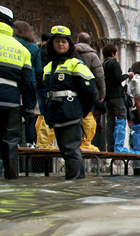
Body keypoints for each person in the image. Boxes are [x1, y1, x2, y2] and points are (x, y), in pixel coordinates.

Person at [43, 25, 96, 179]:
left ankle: (74, 186)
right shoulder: (49, 67)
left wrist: (80, 111)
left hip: (71, 113)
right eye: (57, 41)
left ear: (69, 45)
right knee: (66, 151)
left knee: (72, 151)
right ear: (52, 44)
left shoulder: (76, 64)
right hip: (55, 114)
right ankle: (76, 183)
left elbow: (89, 91)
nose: (61, 44)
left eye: (64, 42)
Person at [0, 5, 36, 179]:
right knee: (10, 144)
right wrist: (28, 108)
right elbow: (28, 83)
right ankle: (11, 180)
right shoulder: (22, 50)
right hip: (11, 103)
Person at [75, 32, 105, 152]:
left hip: (72, 90)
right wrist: (102, 94)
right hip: (88, 91)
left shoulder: (71, 53)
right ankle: (85, 144)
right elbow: (99, 76)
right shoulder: (93, 56)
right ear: (90, 43)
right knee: (87, 117)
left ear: (77, 40)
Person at [13, 20, 41, 148]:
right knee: (30, 112)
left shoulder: (12, 43)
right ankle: (31, 142)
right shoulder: (34, 47)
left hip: (14, 80)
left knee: (14, 111)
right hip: (31, 81)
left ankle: (16, 141)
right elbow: (39, 69)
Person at [102, 44, 132, 153]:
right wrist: (127, 75)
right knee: (121, 120)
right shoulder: (113, 63)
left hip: (107, 96)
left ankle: (110, 147)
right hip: (116, 96)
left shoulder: (103, 64)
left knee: (110, 122)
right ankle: (119, 147)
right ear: (113, 53)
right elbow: (118, 78)